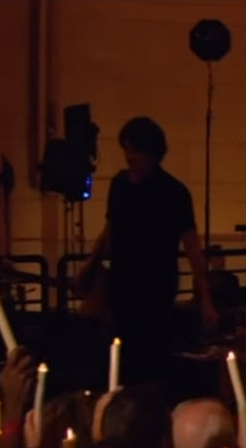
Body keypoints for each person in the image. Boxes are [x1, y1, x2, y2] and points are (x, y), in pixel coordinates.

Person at [77, 117, 218, 384]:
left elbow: (191, 245)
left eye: (135, 151)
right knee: (120, 353)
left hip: (156, 286)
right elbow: (110, 230)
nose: (130, 157)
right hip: (122, 283)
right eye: (127, 150)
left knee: (150, 355)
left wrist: (205, 296)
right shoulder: (119, 185)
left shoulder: (173, 192)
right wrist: (91, 264)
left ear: (152, 153)